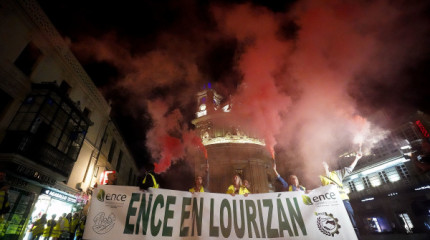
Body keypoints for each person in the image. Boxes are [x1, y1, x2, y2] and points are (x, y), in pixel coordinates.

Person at [320, 151, 362, 239]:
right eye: (321, 165)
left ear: (327, 166)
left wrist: (357, 158)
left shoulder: (336, 174)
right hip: (331, 204)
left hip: (343, 200)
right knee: (337, 224)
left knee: (351, 221)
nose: (323, 166)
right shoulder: (319, 178)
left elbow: (349, 169)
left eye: (324, 164)